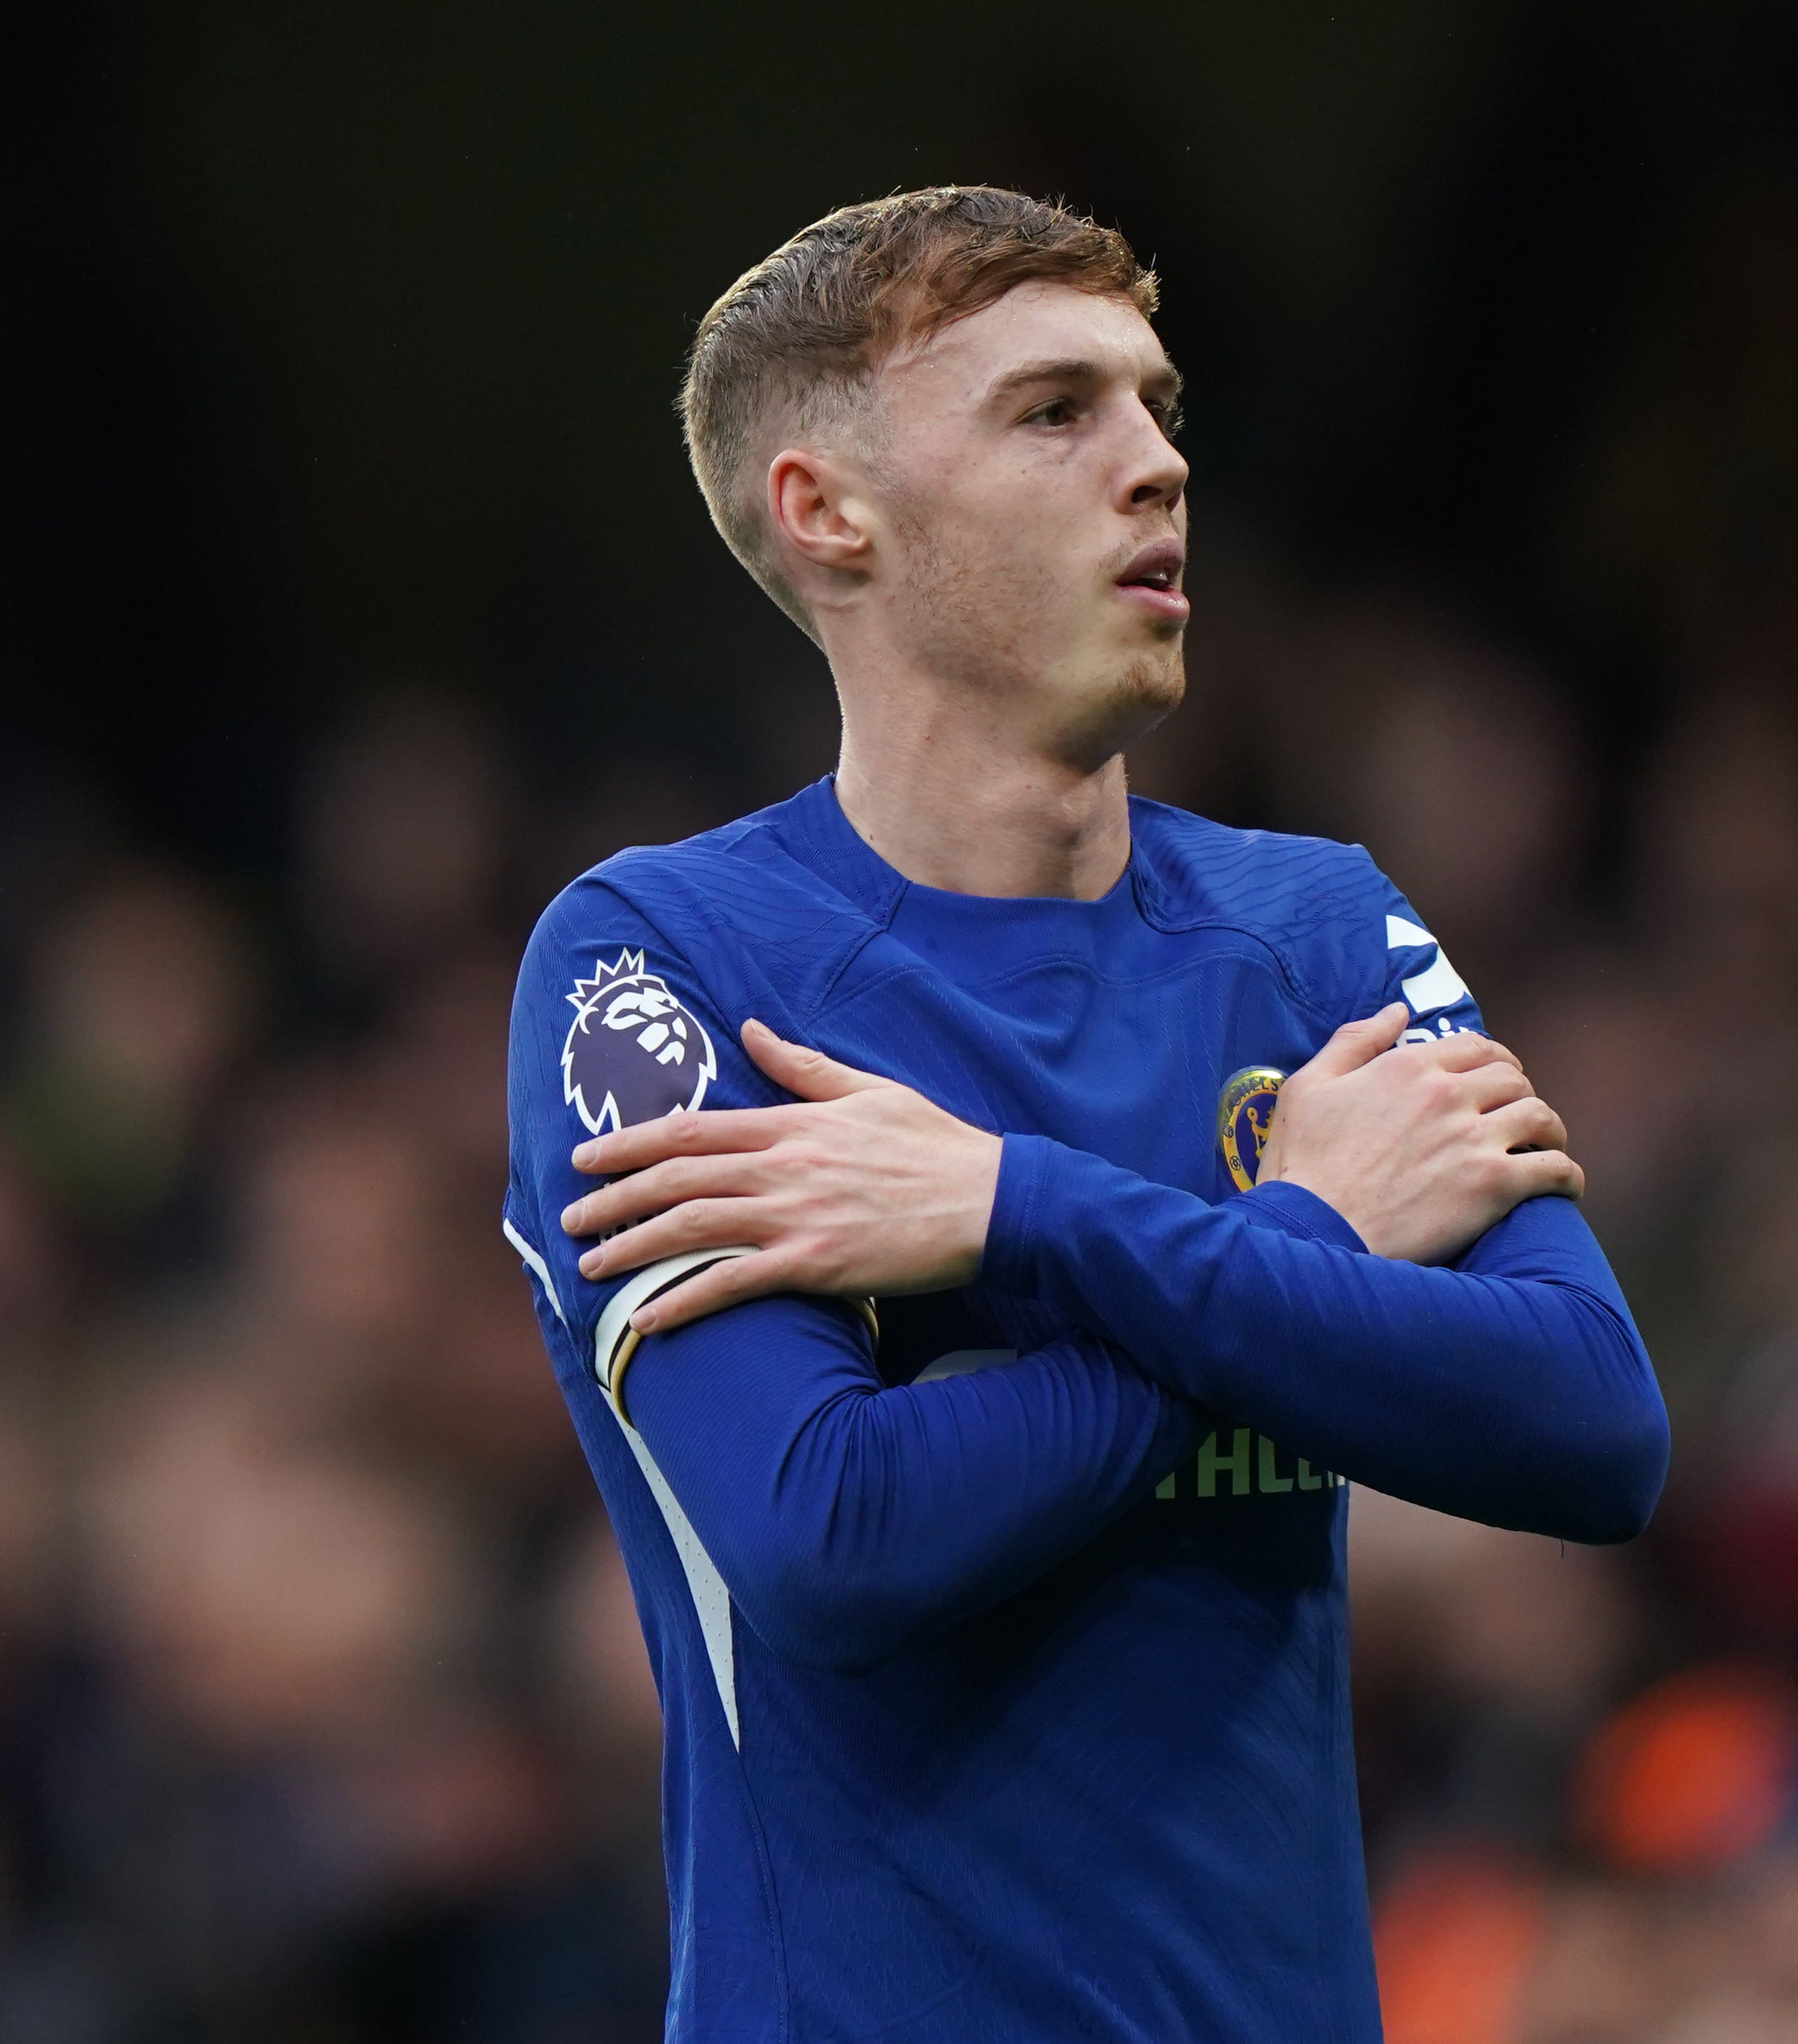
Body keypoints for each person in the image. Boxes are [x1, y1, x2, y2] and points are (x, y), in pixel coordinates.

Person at [498, 186, 1668, 2042]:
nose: (1155, 466)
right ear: (829, 513)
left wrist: (1015, 1215)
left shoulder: (1314, 927)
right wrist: (1298, 1251)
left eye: (1157, 405)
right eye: (1056, 411)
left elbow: (1590, 1423)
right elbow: (831, 1533)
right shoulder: (660, 962)